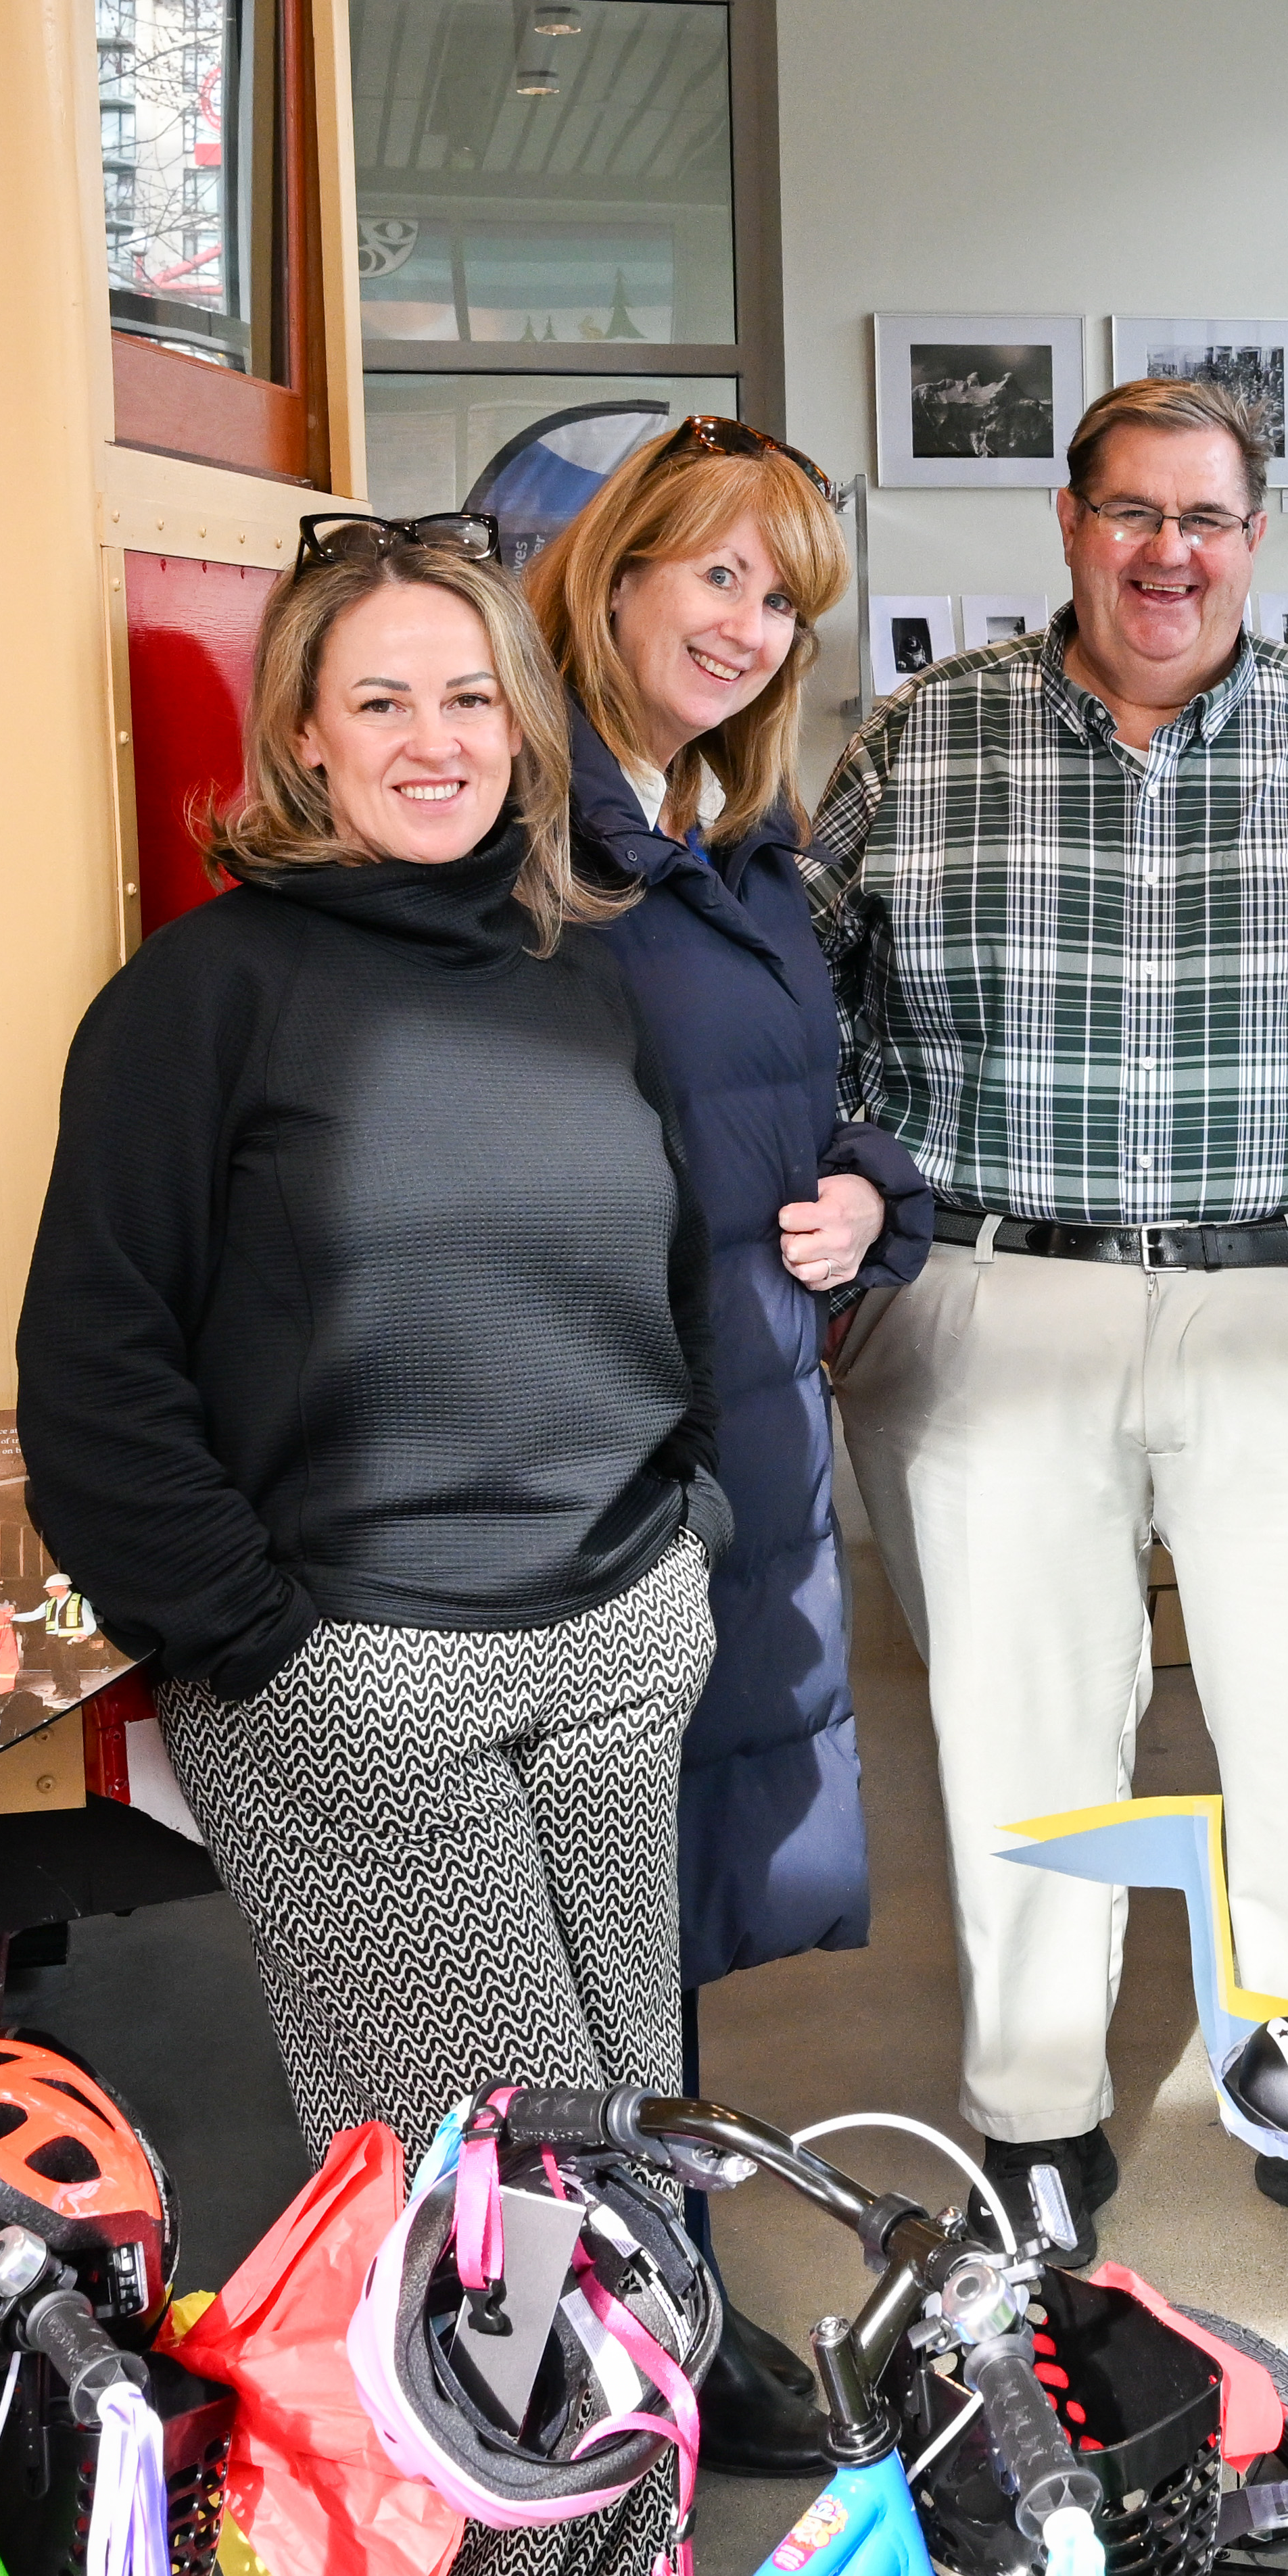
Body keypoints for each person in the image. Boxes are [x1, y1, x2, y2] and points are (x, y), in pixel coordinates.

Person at [19, 516, 718, 2576]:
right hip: (363, 1679)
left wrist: (687, 1519)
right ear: (299, 737)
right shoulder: (200, 1001)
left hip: (616, 1633)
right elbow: (96, 1369)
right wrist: (248, 1637)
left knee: (628, 2160)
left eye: (468, 695)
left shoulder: (570, 970)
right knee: (489, 2206)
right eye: (382, 700)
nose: (434, 740)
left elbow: (662, 1273)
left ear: (522, 723)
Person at [813, 377, 1288, 2263]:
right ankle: (1034, 2107)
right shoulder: (918, 741)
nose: (1168, 554)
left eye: (1206, 519)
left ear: (1257, 533)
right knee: (1021, 1724)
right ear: (1067, 524)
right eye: (1132, 513)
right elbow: (799, 1016)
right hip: (997, 1292)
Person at [523, 415, 928, 2471]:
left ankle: (661, 2316)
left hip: (744, 1416)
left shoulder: (732, 840)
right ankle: (613, 2347)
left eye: (780, 601)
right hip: (601, 1431)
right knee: (588, 1924)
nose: (750, 628)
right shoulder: (533, 837)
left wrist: (867, 1192)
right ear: (609, 576)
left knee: (661, 1909)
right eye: (715, 577)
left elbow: (799, 1101)